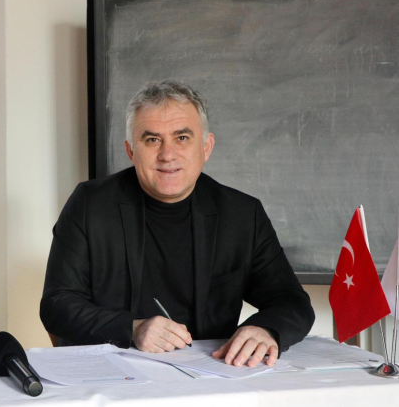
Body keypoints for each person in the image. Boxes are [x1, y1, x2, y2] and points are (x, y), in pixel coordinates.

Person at [40, 80, 314, 368]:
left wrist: (265, 329)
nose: (167, 155)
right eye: (152, 140)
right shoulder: (90, 205)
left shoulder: (242, 214)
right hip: (115, 371)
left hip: (211, 373)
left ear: (206, 147)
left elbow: (291, 300)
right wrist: (132, 328)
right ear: (131, 151)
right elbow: (57, 304)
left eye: (182, 137)